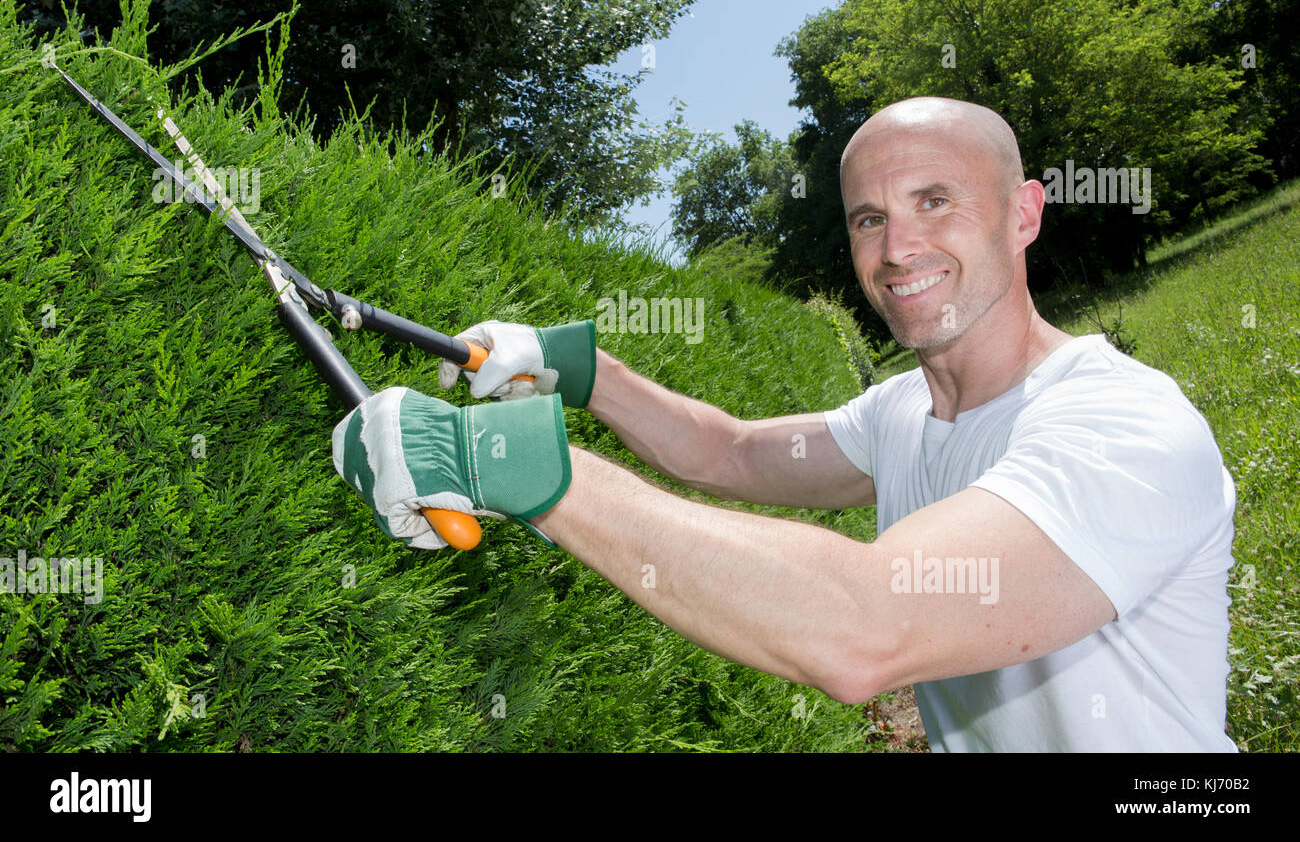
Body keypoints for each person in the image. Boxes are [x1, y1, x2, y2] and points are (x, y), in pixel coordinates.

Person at [332, 97, 1238, 752]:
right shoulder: (900, 412)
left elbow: (865, 628)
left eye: (935, 201)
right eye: (869, 219)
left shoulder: (1124, 424)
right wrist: (578, 370)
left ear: (1025, 212)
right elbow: (725, 452)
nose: (897, 249)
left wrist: (510, 460)